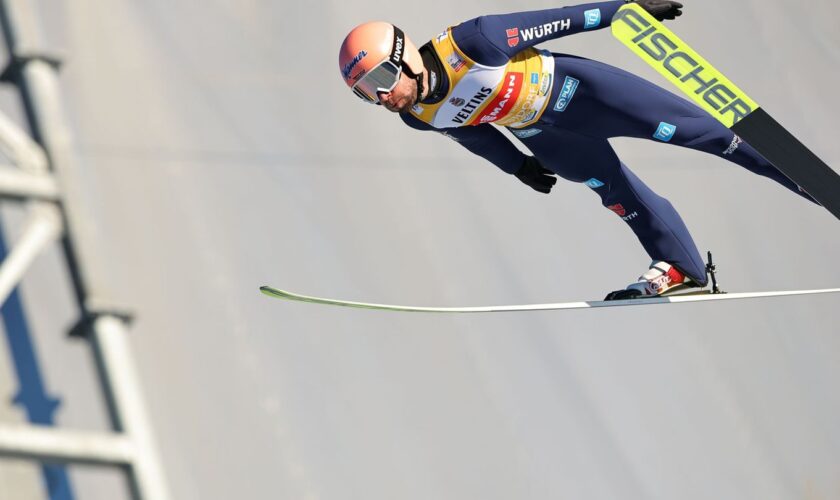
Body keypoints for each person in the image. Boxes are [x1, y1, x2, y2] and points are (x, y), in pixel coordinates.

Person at [337, 0, 817, 300]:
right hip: (546, 137)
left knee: (708, 136)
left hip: (582, 94)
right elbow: (472, 134)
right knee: (618, 194)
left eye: (379, 80)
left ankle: (814, 185)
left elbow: (562, 21)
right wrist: (518, 167)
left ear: (405, 57)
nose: (380, 98)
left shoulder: (475, 40)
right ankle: (681, 268)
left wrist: (625, 9)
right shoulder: (416, 114)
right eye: (364, 93)